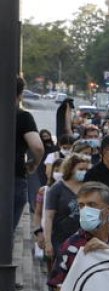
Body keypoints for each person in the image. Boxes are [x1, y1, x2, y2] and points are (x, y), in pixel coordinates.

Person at [40, 154, 90, 261]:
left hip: (82, 239)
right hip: (60, 239)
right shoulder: (57, 188)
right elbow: (48, 217)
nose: (84, 172)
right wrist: (48, 242)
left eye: (86, 169)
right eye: (81, 169)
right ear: (71, 169)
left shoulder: (88, 188)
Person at [14, 77, 46, 229]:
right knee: (6, 234)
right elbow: (37, 147)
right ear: (20, 95)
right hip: (14, 178)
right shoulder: (23, 117)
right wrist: (34, 164)